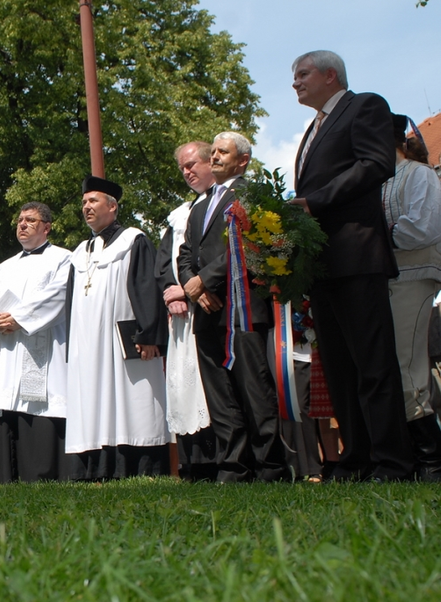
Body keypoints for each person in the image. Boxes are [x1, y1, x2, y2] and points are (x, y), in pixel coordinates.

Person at [289, 50, 413, 481]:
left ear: (330, 74)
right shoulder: (312, 130)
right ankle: (356, 460)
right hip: (323, 267)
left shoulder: (365, 106)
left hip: (357, 255)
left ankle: (393, 462)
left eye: (302, 74)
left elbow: (376, 164)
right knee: (340, 370)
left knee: (373, 365)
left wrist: (313, 202)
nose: (295, 83)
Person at [177, 132, 286, 483]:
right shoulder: (199, 206)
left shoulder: (253, 195)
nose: (216, 157)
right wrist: (194, 287)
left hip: (243, 310)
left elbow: (249, 243)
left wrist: (205, 279)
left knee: (255, 391)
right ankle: (233, 468)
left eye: (224, 152)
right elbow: (184, 254)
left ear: (242, 161)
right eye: (214, 152)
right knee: (220, 396)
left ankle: (269, 467)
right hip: (208, 311)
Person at [65, 176, 170, 480]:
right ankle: (94, 468)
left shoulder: (133, 240)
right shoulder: (81, 251)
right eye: (84, 202)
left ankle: (137, 466)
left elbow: (146, 287)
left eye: (93, 201)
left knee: (132, 397)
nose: (86, 207)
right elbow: (71, 302)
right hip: (87, 344)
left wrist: (149, 334)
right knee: (92, 400)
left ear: (112, 206)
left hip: (124, 338)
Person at [0, 202, 71, 483]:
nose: (23, 224)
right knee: (5, 406)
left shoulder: (64, 259)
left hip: (42, 347)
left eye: (31, 220)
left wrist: (19, 318)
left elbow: (58, 295)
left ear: (47, 227)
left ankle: (41, 473)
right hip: (7, 348)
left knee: (40, 407)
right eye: (20, 220)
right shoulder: (4, 266)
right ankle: (3, 476)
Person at [381, 114, 441, 480]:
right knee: (397, 366)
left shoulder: (419, 174)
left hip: (414, 278)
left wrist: (372, 237)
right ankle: (416, 458)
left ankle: (432, 460)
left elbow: (423, 226)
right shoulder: (380, 181)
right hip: (388, 279)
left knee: (407, 366)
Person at [156, 141, 218, 481]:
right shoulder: (180, 214)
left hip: (211, 305)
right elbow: (165, 259)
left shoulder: (224, 201)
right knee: (184, 386)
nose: (187, 171)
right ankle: (194, 463)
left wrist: (192, 288)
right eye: (182, 167)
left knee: (211, 388)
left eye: (192, 163)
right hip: (182, 315)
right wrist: (171, 293)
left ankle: (221, 460)